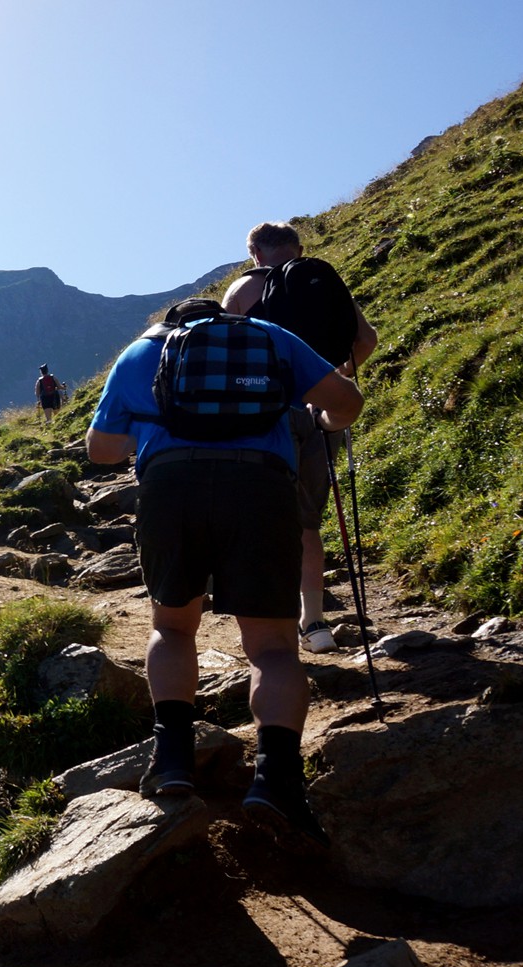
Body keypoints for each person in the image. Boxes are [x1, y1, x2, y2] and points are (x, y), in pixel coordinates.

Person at [86, 297, 362, 853]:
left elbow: (102, 451)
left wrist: (151, 426)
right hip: (261, 488)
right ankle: (276, 778)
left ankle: (171, 759)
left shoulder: (142, 351)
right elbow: (347, 402)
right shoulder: (271, 336)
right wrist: (319, 421)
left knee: (172, 626)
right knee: (272, 647)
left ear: (172, 322)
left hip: (171, 491)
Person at [222, 222, 377, 654]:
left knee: (262, 517)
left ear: (255, 253)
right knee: (307, 522)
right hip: (321, 413)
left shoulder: (243, 290)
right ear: (299, 249)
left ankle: (272, 621)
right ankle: (315, 623)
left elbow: (226, 353)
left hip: (266, 415)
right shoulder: (325, 284)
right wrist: (335, 379)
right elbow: (366, 340)